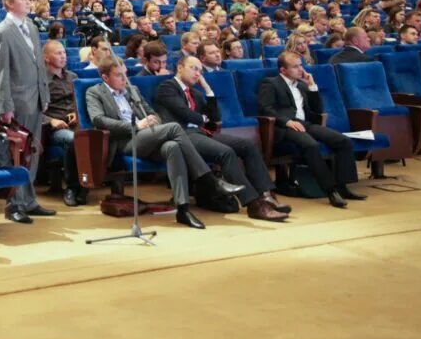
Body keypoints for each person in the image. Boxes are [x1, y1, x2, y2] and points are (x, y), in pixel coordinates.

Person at [85, 58, 243, 230]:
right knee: (174, 127)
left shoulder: (133, 89)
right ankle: (210, 180)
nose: (125, 79)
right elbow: (98, 120)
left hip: (148, 136)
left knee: (172, 147)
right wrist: (136, 125)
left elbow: (153, 113)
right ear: (105, 77)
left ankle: (183, 210)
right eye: (119, 75)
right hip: (125, 141)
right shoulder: (94, 92)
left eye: (126, 74)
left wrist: (153, 119)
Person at [154, 57, 289, 222]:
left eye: (200, 70)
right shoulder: (167, 87)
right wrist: (204, 119)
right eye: (193, 68)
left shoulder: (196, 93)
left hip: (201, 133)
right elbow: (185, 114)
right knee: (225, 152)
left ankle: (266, 195)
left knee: (248, 146)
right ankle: (254, 205)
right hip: (182, 135)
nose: (198, 73)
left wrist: (208, 90)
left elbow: (215, 118)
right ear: (180, 68)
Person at [258, 52, 367, 208]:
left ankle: (343, 186)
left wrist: (312, 86)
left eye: (301, 65)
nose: (300, 69)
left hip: (305, 124)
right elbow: (265, 109)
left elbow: (317, 110)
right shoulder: (270, 83)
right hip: (284, 127)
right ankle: (331, 191)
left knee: (342, 140)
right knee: (311, 145)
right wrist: (287, 121)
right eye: (295, 66)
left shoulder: (302, 85)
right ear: (283, 70)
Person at [0, 0, 54, 222]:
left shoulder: (32, 27)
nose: (28, 2)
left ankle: (29, 200)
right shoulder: (1, 32)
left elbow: (39, 65)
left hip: (35, 98)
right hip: (16, 102)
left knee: (32, 153)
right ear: (9, 4)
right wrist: (4, 106)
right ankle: (14, 204)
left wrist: (44, 95)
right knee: (17, 154)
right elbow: (0, 72)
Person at [41, 41, 84, 207]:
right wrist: (51, 121)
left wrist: (77, 112)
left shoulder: (73, 77)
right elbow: (33, 111)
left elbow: (81, 101)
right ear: (46, 57)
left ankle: (88, 182)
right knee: (73, 140)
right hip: (54, 128)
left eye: (64, 53)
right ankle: (73, 187)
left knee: (99, 135)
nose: (63, 56)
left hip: (76, 123)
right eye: (58, 53)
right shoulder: (40, 81)